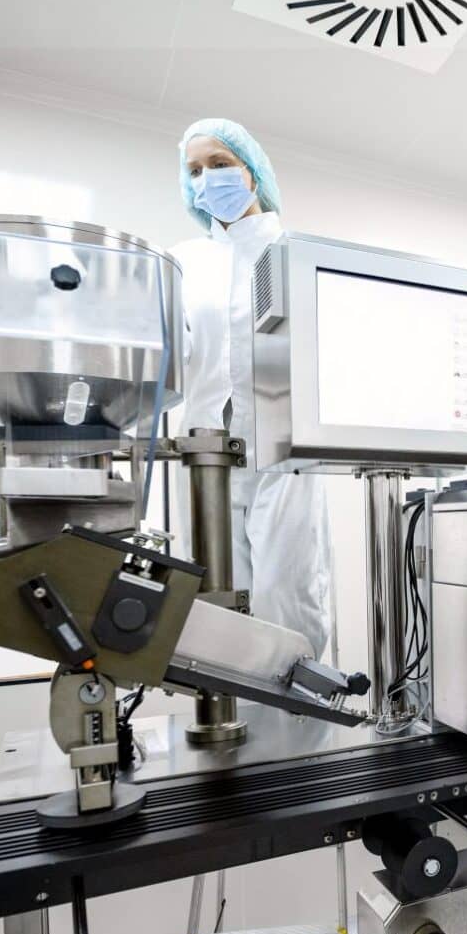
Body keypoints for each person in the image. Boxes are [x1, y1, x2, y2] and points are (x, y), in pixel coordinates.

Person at [171, 117, 336, 659]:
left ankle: (303, 716)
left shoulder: (293, 252)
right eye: (195, 170)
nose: (207, 180)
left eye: (220, 164)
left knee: (287, 589)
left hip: (283, 451)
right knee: (212, 596)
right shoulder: (183, 262)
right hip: (204, 451)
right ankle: (234, 722)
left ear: (253, 172)